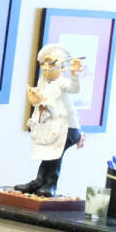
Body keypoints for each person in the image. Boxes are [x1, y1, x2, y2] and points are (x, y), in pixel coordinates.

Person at [15, 43, 85, 195]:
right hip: (52, 126)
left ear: (62, 67)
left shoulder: (61, 82)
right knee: (47, 152)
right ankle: (40, 181)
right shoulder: (43, 81)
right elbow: (42, 102)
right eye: (43, 65)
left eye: (51, 64)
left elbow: (74, 89)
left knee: (53, 153)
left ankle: (50, 184)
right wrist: (34, 100)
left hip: (68, 127)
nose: (46, 68)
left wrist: (74, 73)